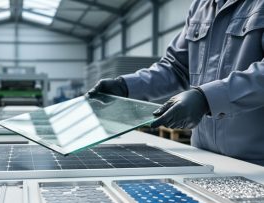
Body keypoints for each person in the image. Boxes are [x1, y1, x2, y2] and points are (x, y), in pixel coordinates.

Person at [88, 0, 264, 166]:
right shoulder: (201, 7)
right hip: (207, 160)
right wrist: (125, 86)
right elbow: (175, 67)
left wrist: (206, 98)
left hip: (257, 163)